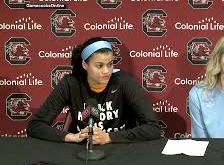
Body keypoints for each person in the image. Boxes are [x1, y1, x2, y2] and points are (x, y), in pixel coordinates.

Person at [27, 37, 161, 144]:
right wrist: (71, 137)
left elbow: (153, 128)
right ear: (85, 64)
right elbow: (35, 126)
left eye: (110, 64)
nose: (106, 71)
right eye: (99, 66)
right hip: (81, 151)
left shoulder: (125, 82)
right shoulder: (71, 83)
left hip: (120, 148)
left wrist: (109, 137)